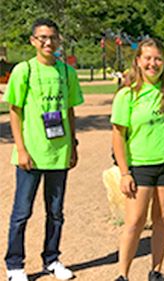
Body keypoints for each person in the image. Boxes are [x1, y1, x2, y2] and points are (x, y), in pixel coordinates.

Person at [3, 18, 83, 281]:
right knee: (22, 212)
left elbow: (69, 110)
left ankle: (52, 259)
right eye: (42, 38)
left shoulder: (66, 72)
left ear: (59, 40)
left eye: (53, 37)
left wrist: (73, 145)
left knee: (56, 212)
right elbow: (14, 111)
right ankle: (14, 264)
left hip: (59, 153)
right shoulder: (23, 70)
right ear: (33, 41)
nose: (48, 42)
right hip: (31, 155)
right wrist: (21, 149)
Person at [111, 38, 164, 281]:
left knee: (162, 219)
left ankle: (157, 270)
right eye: (148, 58)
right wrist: (124, 172)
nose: (153, 63)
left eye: (158, 59)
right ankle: (123, 274)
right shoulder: (127, 95)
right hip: (140, 166)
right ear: (139, 61)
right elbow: (118, 136)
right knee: (135, 221)